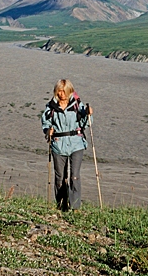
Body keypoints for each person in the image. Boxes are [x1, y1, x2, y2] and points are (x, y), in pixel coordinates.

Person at [41, 79, 93, 211]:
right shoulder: (51, 107)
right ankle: (61, 205)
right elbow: (45, 123)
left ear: (70, 91)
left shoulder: (77, 105)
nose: (61, 94)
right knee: (60, 177)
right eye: (59, 90)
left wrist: (88, 115)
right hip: (58, 145)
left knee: (74, 176)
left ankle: (75, 207)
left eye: (64, 91)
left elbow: (86, 124)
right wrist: (48, 131)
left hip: (76, 144)